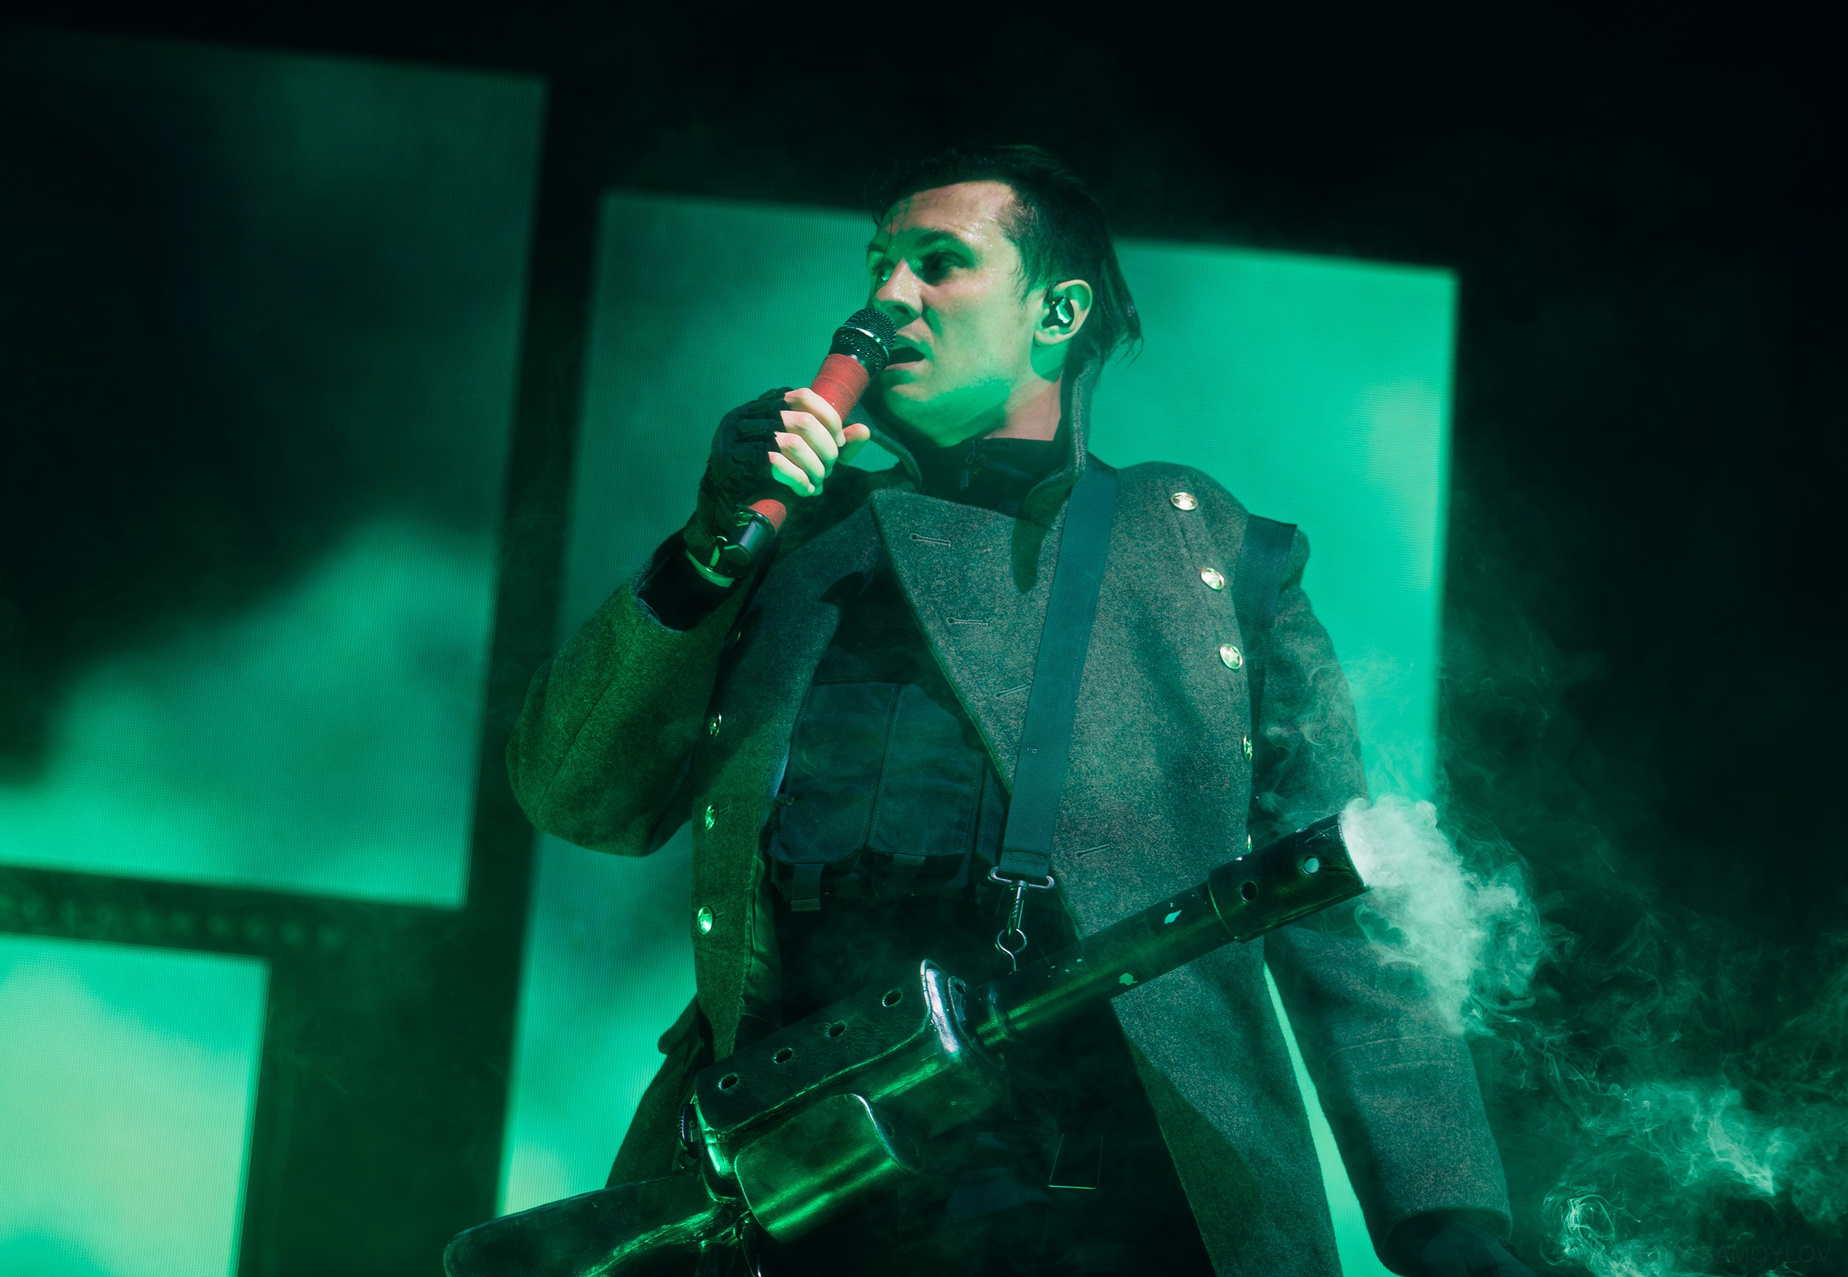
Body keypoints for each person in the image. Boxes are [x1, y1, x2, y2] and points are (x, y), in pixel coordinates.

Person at [508, 146, 1531, 1277]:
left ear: (1059, 310)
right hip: (801, 1193)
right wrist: (709, 544)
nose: (884, 300)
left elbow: (1338, 905)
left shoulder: (1203, 552)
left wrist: (1448, 1221)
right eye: (878, 264)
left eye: (938, 263)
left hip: (1111, 1203)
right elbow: (570, 792)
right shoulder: (792, 546)